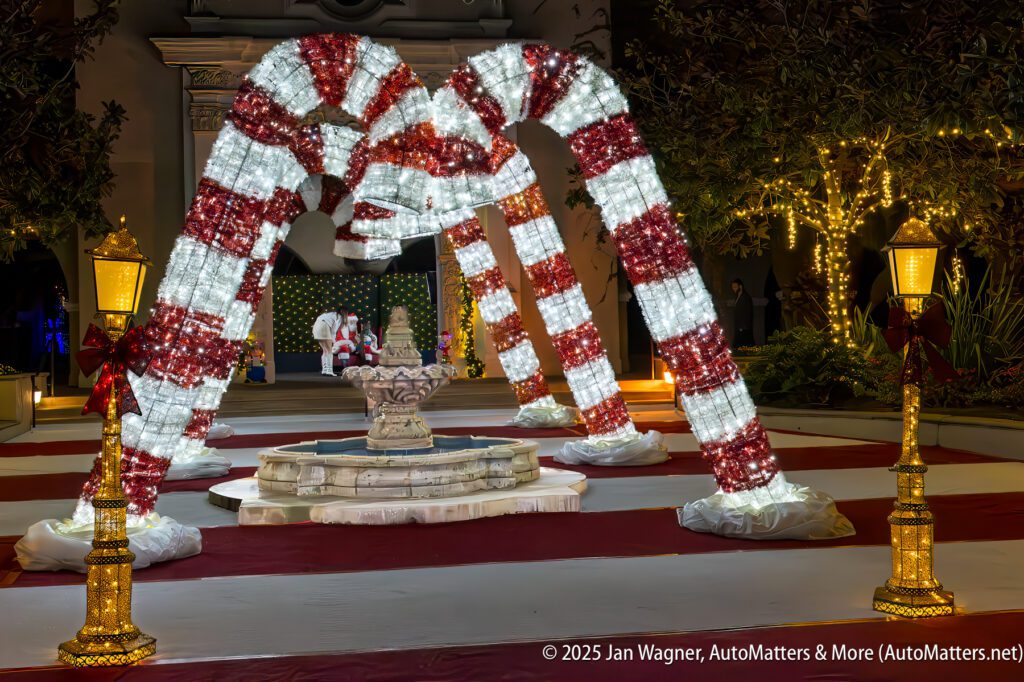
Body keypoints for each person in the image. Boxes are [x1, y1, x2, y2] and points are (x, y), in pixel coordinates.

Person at [312, 307, 343, 376]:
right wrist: (334, 343)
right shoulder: (339, 317)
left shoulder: (329, 314)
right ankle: (329, 371)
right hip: (324, 326)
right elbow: (333, 331)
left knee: (325, 351)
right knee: (329, 351)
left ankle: (325, 370)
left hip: (316, 326)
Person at [731, 278, 756, 348]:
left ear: (740, 286)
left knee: (745, 345)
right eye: (732, 287)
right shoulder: (738, 297)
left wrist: (743, 326)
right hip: (739, 327)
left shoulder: (745, 297)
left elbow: (747, 313)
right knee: (739, 346)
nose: (734, 289)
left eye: (735, 287)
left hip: (744, 328)